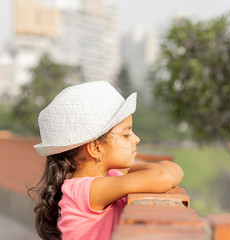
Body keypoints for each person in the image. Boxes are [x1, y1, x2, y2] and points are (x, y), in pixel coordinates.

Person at [29, 81, 184, 240]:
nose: (136, 139)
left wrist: (133, 173)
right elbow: (163, 176)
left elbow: (175, 170)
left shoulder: (109, 178)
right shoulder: (84, 190)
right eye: (126, 134)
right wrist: (133, 172)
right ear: (96, 149)